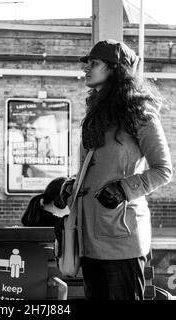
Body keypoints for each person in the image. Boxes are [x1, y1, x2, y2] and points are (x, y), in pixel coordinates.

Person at [61, 39, 173, 300]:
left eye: (94, 63)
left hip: (121, 239)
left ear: (115, 69)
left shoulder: (140, 112)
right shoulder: (97, 113)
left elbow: (163, 170)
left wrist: (122, 189)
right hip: (89, 238)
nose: (86, 69)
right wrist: (72, 185)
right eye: (86, 63)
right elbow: (99, 169)